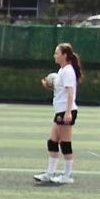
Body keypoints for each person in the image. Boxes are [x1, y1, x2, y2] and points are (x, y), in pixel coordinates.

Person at [34, 43, 82, 184]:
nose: (54, 55)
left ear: (65, 55)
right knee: (53, 142)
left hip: (66, 110)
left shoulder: (68, 71)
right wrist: (49, 86)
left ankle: (67, 176)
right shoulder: (62, 71)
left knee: (65, 143)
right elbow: (61, 91)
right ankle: (50, 173)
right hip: (60, 110)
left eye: (57, 53)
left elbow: (71, 92)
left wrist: (68, 112)